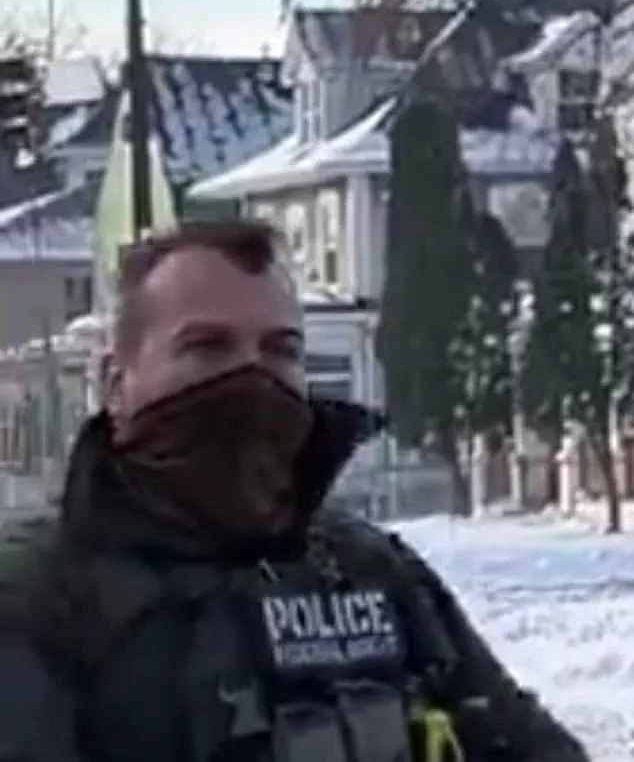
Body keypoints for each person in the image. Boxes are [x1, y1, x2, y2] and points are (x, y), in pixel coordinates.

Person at [0, 220, 588, 762]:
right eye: (207, 346)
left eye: (281, 350)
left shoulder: (370, 571)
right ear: (114, 382)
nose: (253, 376)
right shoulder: (37, 598)